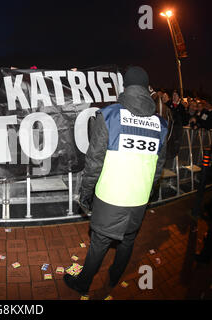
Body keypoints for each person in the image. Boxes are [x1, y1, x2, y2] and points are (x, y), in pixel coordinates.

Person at [64, 66, 168, 296]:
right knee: (128, 240)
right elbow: (158, 166)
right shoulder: (160, 125)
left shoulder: (109, 115)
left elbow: (94, 161)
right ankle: (114, 276)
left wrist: (85, 194)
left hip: (111, 195)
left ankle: (83, 284)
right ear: (146, 89)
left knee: (99, 242)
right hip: (139, 198)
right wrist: (149, 193)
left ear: (125, 87)